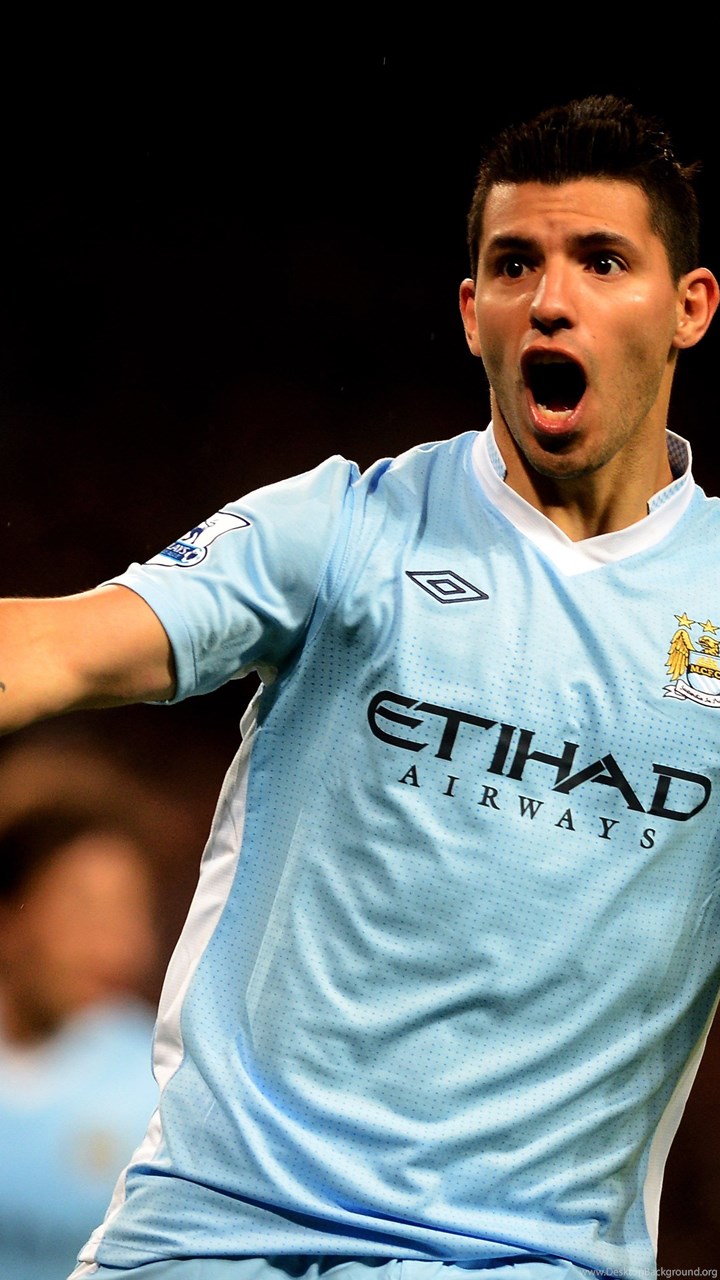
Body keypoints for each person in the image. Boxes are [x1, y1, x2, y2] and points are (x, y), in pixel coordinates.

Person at [0, 93, 718, 1280]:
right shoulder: (346, 525)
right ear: (472, 313)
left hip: (518, 1257)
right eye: (514, 264)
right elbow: (61, 645)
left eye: (602, 260)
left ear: (689, 306)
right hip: (215, 1229)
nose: (552, 299)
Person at [0, 804, 160, 1280]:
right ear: (10, 916)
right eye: (84, 913)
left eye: (130, 915)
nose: (115, 948)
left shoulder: (161, 1083)